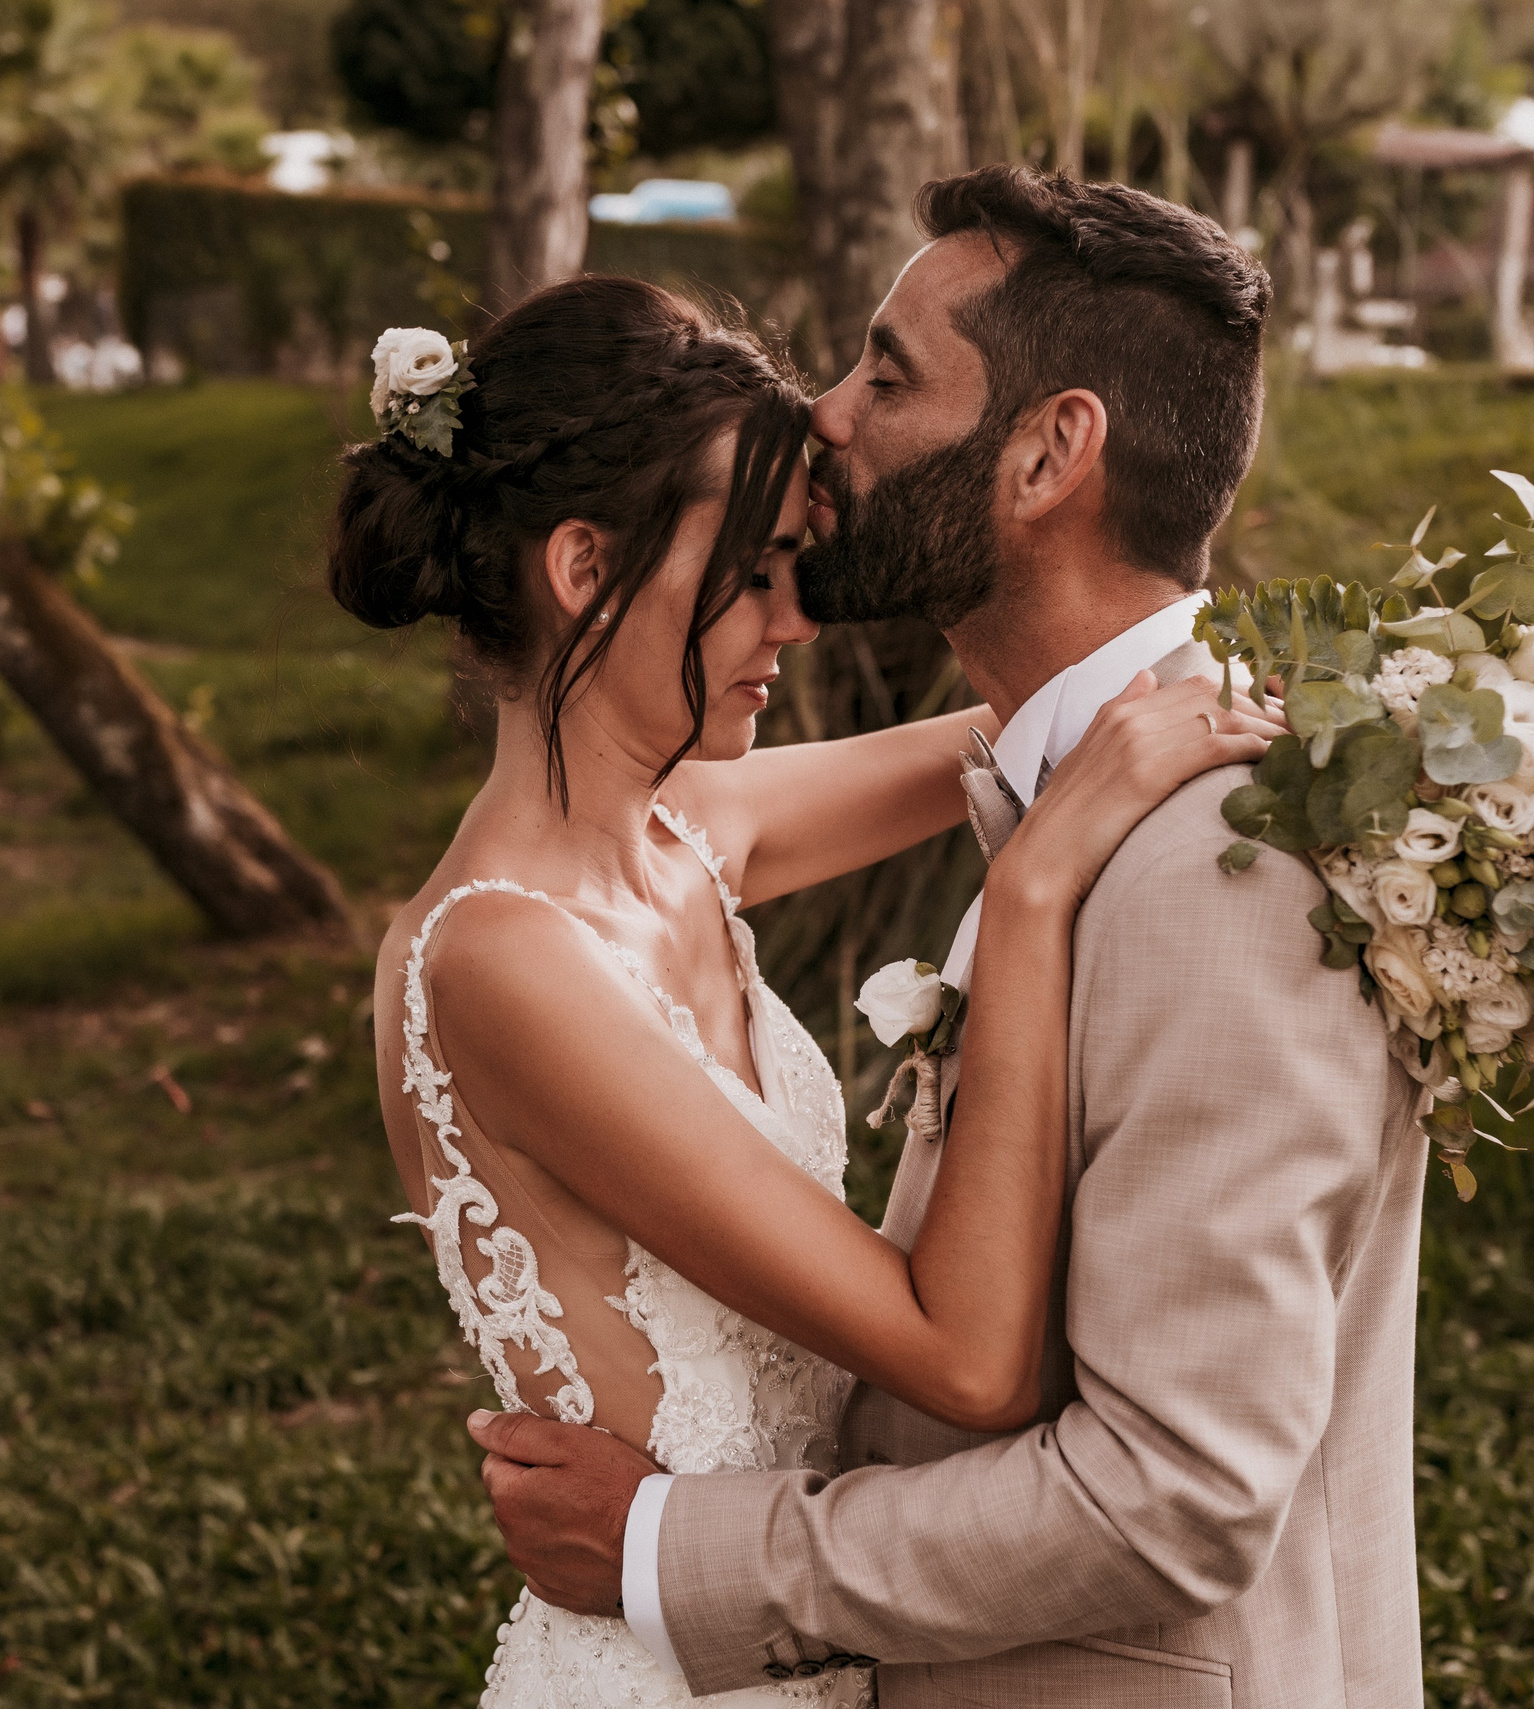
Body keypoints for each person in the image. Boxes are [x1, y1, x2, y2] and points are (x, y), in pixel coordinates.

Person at [470, 168, 1432, 1708]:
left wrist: (666, 1548)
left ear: (1052, 451)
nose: (828, 416)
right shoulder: (1075, 781)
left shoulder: (1224, 873)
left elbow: (1171, 1493)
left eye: (888, 373)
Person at [332, 272, 1282, 1707]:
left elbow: (1034, 722)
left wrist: (1330, 692)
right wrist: (1025, 897)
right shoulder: (497, 960)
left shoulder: (688, 833)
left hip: (796, 1642)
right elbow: (965, 1359)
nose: (800, 618)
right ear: (584, 570)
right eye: (759, 570)